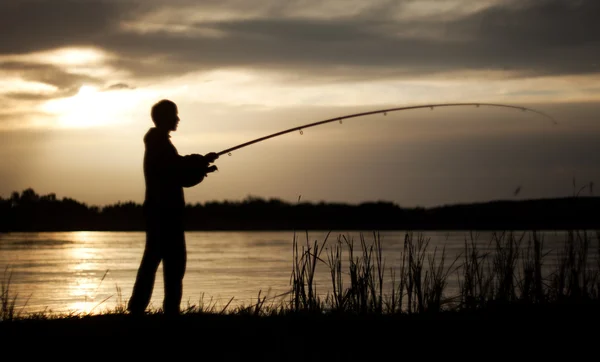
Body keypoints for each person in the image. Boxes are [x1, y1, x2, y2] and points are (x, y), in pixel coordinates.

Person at [127, 99, 218, 316]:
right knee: (172, 263)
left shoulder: (158, 143)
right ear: (165, 118)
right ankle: (161, 311)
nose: (178, 119)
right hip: (164, 214)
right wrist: (201, 164)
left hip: (161, 213)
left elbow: (178, 171)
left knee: (158, 261)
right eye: (174, 115)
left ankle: (142, 309)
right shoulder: (159, 143)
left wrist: (201, 165)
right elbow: (176, 171)